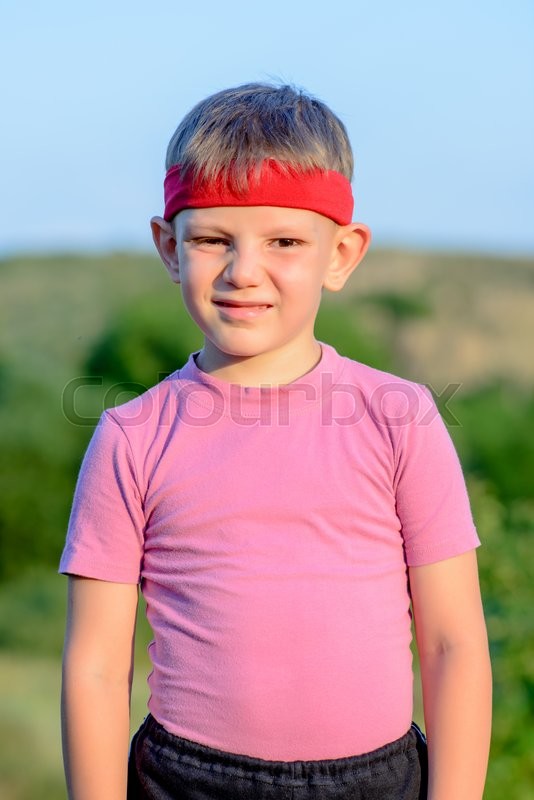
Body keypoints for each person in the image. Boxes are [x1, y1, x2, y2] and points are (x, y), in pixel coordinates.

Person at [60, 82, 492, 800]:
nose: (243, 271)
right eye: (211, 240)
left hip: (376, 781)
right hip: (188, 779)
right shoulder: (129, 437)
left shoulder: (402, 418)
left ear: (342, 253)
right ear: (169, 247)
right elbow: (97, 669)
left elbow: (454, 645)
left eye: (284, 241)